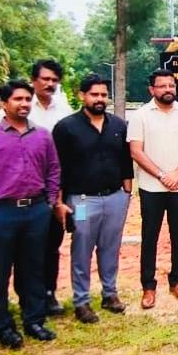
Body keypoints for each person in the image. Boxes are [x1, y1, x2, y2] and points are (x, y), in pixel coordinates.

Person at [0, 79, 60, 348]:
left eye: (28, 99)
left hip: (36, 211)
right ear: (3, 104)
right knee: (0, 272)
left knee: (33, 268)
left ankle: (34, 320)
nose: (24, 104)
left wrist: (49, 202)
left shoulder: (42, 135)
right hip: (2, 213)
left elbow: (53, 170)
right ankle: (4, 326)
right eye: (18, 99)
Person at [54, 74, 134, 323]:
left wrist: (127, 194)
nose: (99, 99)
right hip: (81, 201)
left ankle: (110, 294)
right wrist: (59, 202)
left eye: (103, 95)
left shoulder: (118, 126)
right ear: (82, 96)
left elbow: (126, 162)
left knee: (111, 247)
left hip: (115, 198)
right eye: (94, 94)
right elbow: (57, 168)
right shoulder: (66, 128)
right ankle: (81, 301)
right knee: (82, 248)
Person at [129, 69, 178, 307]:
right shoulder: (141, 115)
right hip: (151, 188)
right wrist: (162, 175)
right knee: (150, 236)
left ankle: (177, 281)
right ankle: (148, 287)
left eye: (171, 85)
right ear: (152, 89)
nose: (168, 90)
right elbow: (136, 151)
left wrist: (177, 174)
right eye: (162, 86)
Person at [27, 59, 73, 317]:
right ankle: (29, 297)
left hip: (55, 187)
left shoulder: (63, 110)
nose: (50, 84)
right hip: (26, 187)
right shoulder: (21, 106)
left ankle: (49, 293)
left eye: (54, 80)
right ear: (33, 80)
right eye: (45, 79)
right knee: (28, 246)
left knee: (52, 243)